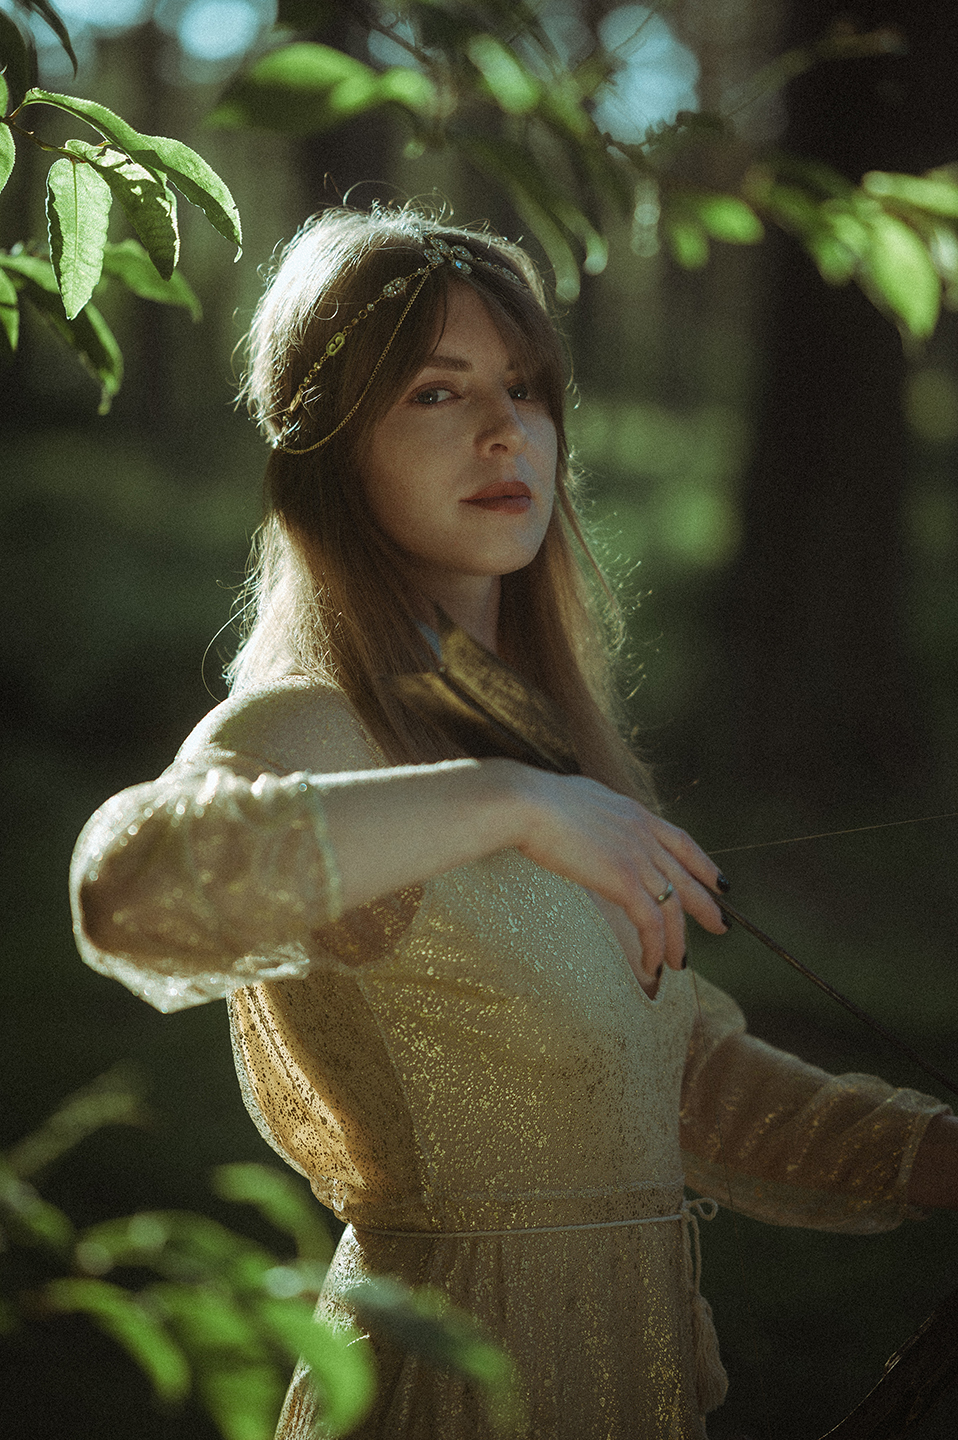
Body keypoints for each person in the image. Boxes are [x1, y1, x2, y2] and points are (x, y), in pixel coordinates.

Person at [70, 205, 958, 1440]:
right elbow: (130, 892)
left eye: (526, 388)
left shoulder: (538, 741)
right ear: (332, 449)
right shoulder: (307, 727)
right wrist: (506, 803)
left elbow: (665, 1073)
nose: (504, 431)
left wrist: (929, 1154)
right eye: (436, 393)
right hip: (448, 1386)